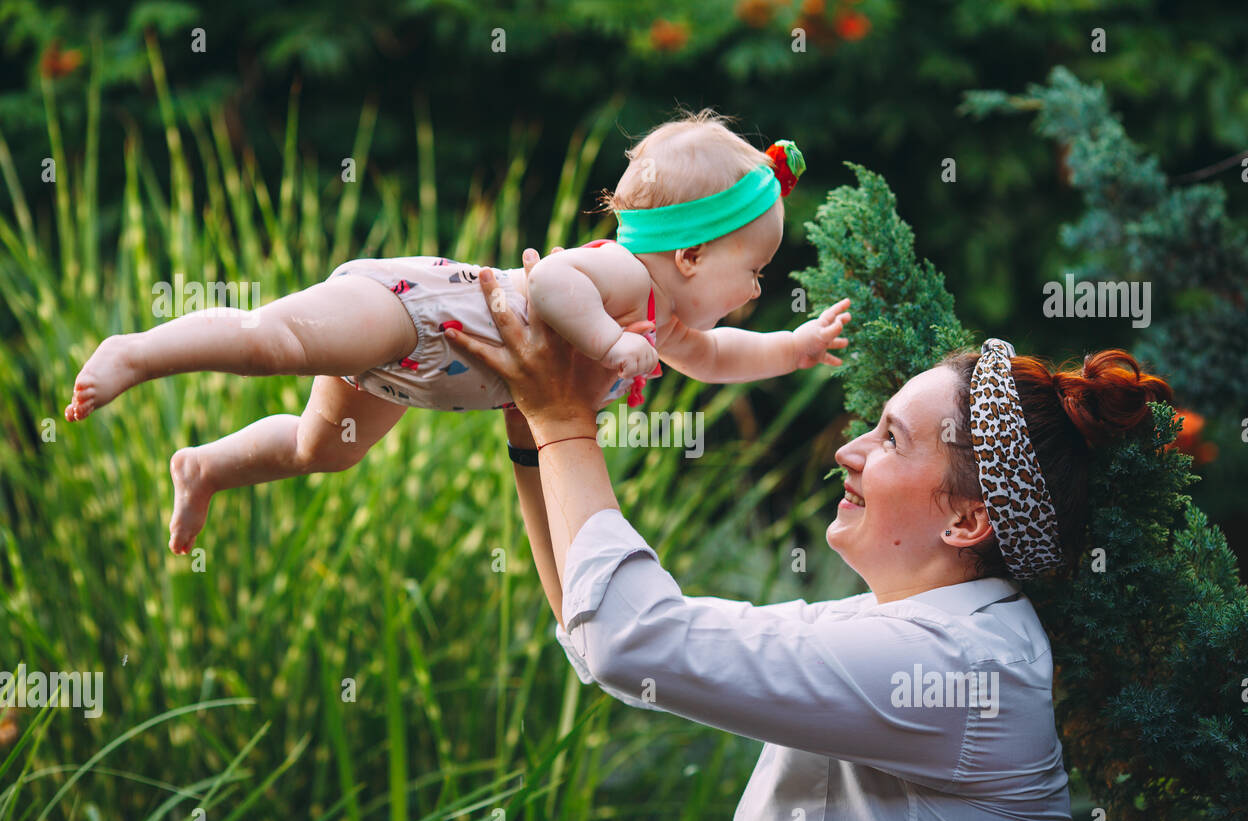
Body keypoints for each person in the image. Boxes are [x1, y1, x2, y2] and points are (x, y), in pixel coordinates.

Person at [449, 248, 1175, 821]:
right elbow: (596, 628)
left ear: (967, 520)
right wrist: (532, 430)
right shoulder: (906, 629)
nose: (847, 452)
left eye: (890, 440)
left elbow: (629, 640)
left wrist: (562, 420)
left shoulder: (956, 666)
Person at [61, 110, 850, 554]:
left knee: (322, 451)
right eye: (753, 270)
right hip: (416, 308)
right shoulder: (625, 280)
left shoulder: (666, 323)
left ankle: (204, 469)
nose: (757, 290)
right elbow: (549, 279)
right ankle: (137, 351)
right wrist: (610, 347)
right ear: (688, 253)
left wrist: (795, 347)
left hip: (420, 377)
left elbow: (717, 359)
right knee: (276, 342)